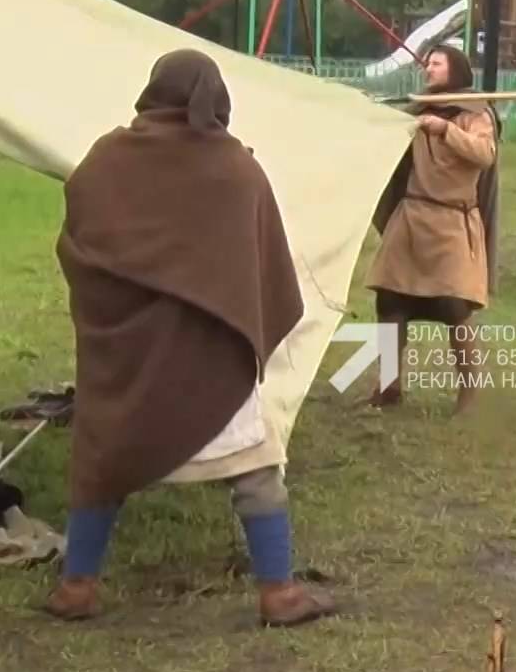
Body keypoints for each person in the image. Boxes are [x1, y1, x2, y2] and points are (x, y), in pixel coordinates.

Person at [44, 49, 334, 626]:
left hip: (127, 356)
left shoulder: (106, 158)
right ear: (214, 97)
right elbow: (263, 257)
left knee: (104, 461)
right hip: (209, 358)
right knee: (253, 465)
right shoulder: (234, 168)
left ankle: (78, 586)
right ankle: (278, 592)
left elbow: (78, 235)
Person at [365, 43, 500, 413]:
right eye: (427, 64)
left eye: (436, 64)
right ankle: (389, 385)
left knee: (455, 309)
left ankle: (468, 395)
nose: (428, 69)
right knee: (390, 303)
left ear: (454, 70)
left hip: (451, 223)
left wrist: (445, 130)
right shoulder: (418, 109)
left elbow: (485, 155)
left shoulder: (476, 113)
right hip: (412, 218)